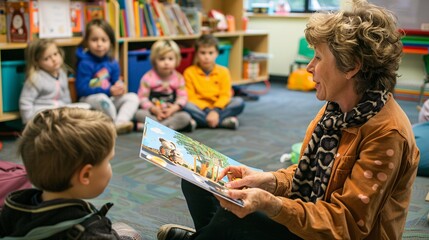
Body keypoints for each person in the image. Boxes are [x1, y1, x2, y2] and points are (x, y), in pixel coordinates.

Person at [157, 0, 420, 239]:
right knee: (199, 181)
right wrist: (268, 180)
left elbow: (347, 224)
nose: (309, 67)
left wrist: (271, 203)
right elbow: (308, 173)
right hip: (310, 213)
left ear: (352, 67)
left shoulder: (387, 133)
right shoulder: (336, 110)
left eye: (318, 57)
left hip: (332, 232)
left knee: (235, 214)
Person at [0, 108, 141, 239]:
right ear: (86, 175)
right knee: (129, 232)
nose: (110, 166)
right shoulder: (92, 231)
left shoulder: (13, 206)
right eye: (109, 160)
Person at [75, 19, 139, 134]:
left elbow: (115, 81)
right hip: (91, 99)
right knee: (101, 98)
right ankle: (112, 125)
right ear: (87, 42)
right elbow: (82, 89)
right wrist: (108, 90)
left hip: (109, 100)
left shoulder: (112, 62)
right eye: (94, 40)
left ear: (110, 42)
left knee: (133, 97)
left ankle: (120, 123)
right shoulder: (84, 63)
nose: (99, 44)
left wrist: (119, 87)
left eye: (104, 40)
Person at [19, 38, 90, 124]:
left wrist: (68, 111)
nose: (54, 59)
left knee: (86, 107)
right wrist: (28, 121)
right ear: (37, 62)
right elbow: (25, 101)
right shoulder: (36, 78)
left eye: (55, 54)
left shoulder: (62, 73)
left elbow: (66, 96)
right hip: (43, 114)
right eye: (46, 58)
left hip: (59, 112)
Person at [183, 34, 245, 130]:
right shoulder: (189, 72)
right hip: (200, 108)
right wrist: (208, 110)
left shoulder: (224, 71)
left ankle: (203, 122)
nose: (207, 57)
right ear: (197, 53)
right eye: (203, 53)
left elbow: (225, 95)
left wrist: (215, 111)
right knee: (186, 105)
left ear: (216, 53)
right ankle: (222, 122)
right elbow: (190, 97)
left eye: (210, 53)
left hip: (219, 107)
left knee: (239, 102)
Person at [135, 39, 194, 131]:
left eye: (170, 59)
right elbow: (142, 98)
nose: (166, 62)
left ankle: (152, 128)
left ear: (176, 60)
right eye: (162, 59)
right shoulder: (147, 77)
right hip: (154, 113)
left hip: (171, 113)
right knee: (138, 114)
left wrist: (173, 109)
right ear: (155, 61)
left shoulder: (179, 78)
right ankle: (168, 128)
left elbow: (182, 97)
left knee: (185, 116)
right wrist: (154, 109)